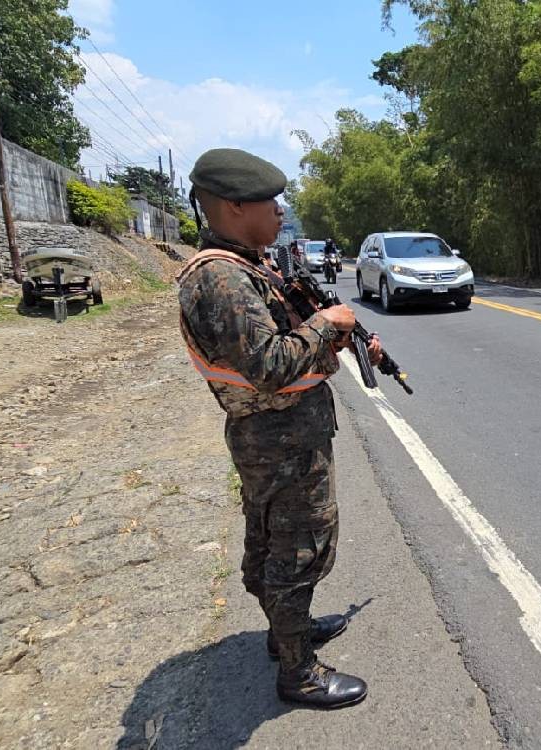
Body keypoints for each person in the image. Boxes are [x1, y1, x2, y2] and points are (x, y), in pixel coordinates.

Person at [176, 148, 380, 709]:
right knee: (298, 549)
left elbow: (282, 341)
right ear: (237, 206)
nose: (281, 212)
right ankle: (300, 673)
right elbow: (267, 366)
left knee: (280, 542)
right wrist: (326, 323)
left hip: (283, 435)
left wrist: (331, 334)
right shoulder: (220, 278)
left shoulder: (244, 264)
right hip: (278, 439)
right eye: (271, 202)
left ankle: (286, 632)